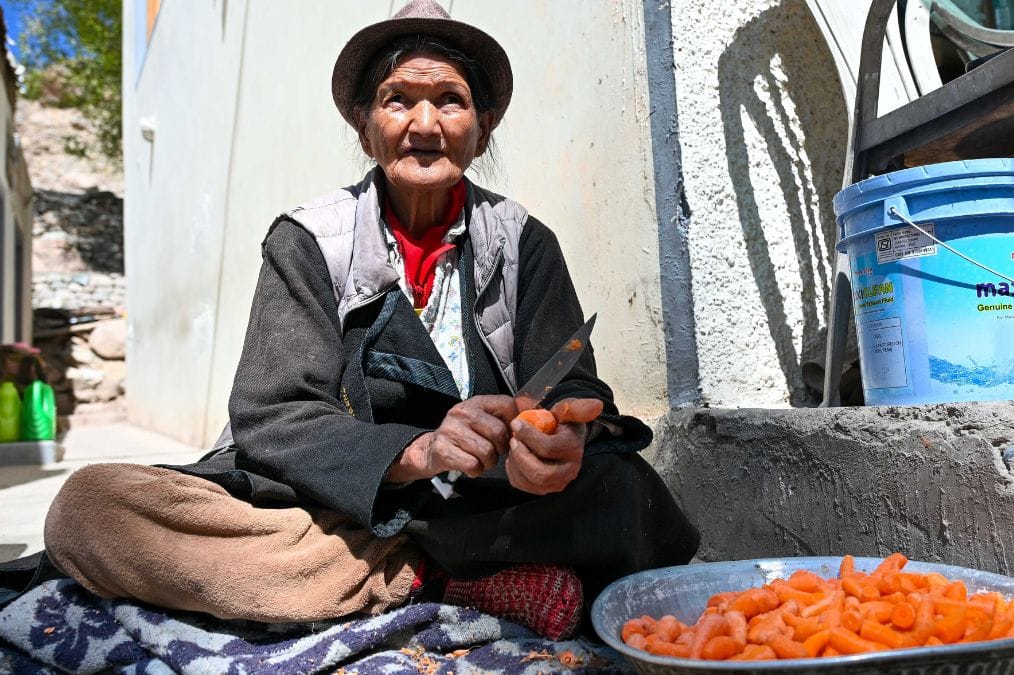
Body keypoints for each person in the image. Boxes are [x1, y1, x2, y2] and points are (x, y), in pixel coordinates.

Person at [37, 0, 699, 640]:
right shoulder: (307, 240)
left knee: (626, 490)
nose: (424, 124)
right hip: (331, 506)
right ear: (363, 125)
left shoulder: (523, 242)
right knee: (90, 508)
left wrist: (557, 444)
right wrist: (424, 451)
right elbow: (273, 416)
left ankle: (381, 575)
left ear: (483, 127)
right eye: (397, 99)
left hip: (484, 507)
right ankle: (420, 579)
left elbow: (574, 387)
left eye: (450, 100)